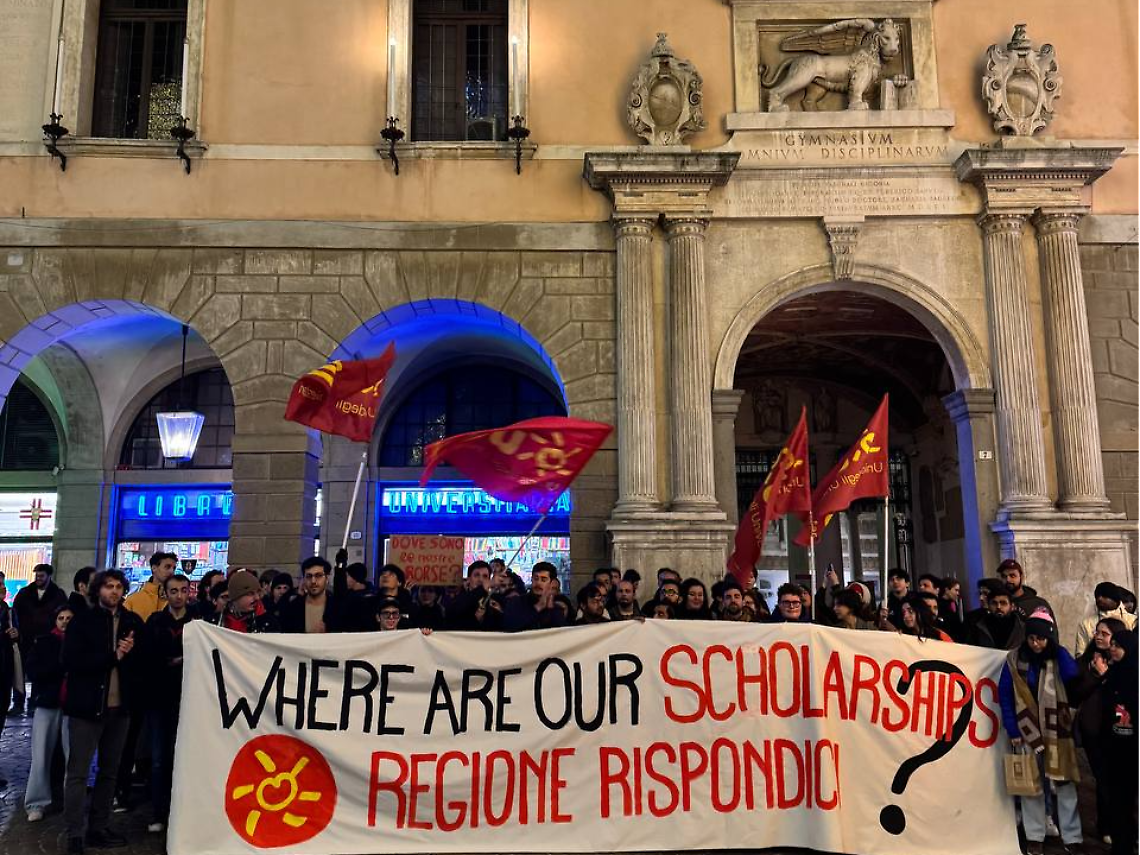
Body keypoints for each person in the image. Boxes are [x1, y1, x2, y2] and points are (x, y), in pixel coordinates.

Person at [62, 569, 147, 854]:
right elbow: (71, 661)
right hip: (87, 708)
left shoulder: (132, 622)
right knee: (78, 772)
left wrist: (131, 655)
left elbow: (141, 664)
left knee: (110, 771)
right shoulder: (83, 621)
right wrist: (114, 656)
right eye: (108, 586)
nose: (114, 591)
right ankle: (75, 833)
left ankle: (99, 827)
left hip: (120, 709)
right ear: (97, 589)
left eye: (119, 586)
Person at [998, 609, 1084, 855]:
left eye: (1042, 639)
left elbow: (1072, 675)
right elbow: (1005, 695)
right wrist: (1012, 729)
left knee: (1065, 784)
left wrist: (1058, 650)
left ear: (1050, 638)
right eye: (1032, 638)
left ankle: (1072, 837)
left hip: (1058, 732)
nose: (1036, 644)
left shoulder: (1057, 656)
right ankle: (1034, 836)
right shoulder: (1014, 659)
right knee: (1031, 785)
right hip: (1027, 730)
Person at [144, 573, 195, 833]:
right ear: (166, 593)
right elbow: (148, 655)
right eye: (173, 591)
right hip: (159, 698)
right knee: (158, 758)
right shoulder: (155, 621)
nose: (179, 596)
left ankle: (183, 812)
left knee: (186, 758)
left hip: (189, 698)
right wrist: (173, 660)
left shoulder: (198, 623)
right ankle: (158, 812)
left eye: (183, 590)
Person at [1076, 617, 1129, 845]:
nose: (1098, 636)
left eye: (1104, 634)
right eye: (1097, 632)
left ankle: (1114, 824)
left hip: (1119, 728)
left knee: (1116, 778)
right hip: (1093, 728)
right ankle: (1107, 827)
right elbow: (1076, 693)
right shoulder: (1085, 662)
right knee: (1103, 777)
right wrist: (1097, 676)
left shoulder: (1125, 662)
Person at [23, 604, 74, 821]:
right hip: (47, 703)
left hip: (72, 706)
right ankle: (36, 802)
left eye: (69, 618)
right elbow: (33, 670)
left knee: (74, 756)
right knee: (41, 755)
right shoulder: (44, 642)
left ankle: (72, 800)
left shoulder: (80, 643)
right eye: (61, 618)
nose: (64, 622)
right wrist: (59, 669)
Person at [1096, 629, 1138, 855]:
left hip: (1134, 750)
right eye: (1112, 644)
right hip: (1114, 749)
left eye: (1118, 646)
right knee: (1119, 802)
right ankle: (1122, 846)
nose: (1112, 648)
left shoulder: (1134, 675)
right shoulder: (1112, 674)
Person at [280, 557, 344, 634]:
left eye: (318, 576)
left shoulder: (338, 607)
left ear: (327, 578)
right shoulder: (293, 607)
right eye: (309, 576)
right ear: (303, 579)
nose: (313, 581)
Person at [1074, 582, 1136, 657]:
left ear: (1115, 599)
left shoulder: (1133, 620)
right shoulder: (1086, 624)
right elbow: (1080, 654)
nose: (1099, 599)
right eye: (1097, 596)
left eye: (1104, 596)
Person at [502, 562, 566, 632]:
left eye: (543, 580)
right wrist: (538, 607)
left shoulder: (556, 609)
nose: (538, 583)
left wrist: (550, 610)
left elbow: (559, 634)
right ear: (531, 579)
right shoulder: (515, 602)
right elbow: (510, 628)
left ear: (551, 583)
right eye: (536, 578)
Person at [212, 571, 278, 633]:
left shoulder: (268, 623)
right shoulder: (214, 622)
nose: (257, 598)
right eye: (250, 594)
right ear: (236, 597)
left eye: (258, 593)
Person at [446, 561, 502, 632]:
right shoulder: (459, 599)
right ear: (469, 579)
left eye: (485, 576)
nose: (480, 580)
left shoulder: (494, 602)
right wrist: (475, 619)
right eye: (476, 575)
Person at [123, 551, 177, 622]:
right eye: (167, 567)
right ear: (154, 568)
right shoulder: (132, 601)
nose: (171, 571)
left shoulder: (177, 600)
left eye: (174, 568)